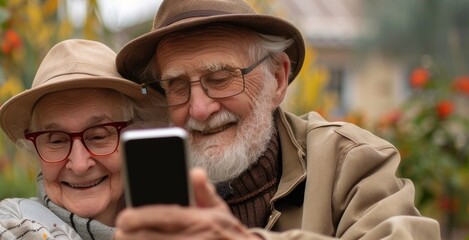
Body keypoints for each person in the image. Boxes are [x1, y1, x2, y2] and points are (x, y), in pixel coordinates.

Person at [113, 0, 441, 239]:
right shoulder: (140, 184)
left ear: (278, 79)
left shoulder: (350, 161)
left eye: (221, 78)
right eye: (177, 86)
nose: (199, 109)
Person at [0, 39, 167, 240]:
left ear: (134, 139)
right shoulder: (15, 224)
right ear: (35, 149)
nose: (79, 165)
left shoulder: (178, 217)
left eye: (98, 136)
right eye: (56, 141)